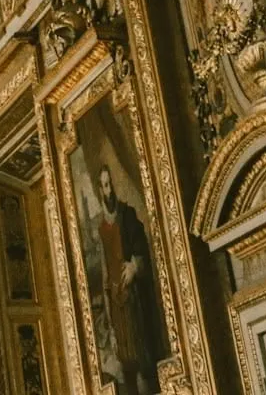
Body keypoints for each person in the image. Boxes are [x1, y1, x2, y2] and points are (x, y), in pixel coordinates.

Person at [93, 166, 165, 395]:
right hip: (117, 305)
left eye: (111, 184)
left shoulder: (128, 215)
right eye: (105, 186)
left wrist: (135, 265)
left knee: (143, 356)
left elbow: (141, 249)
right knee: (126, 364)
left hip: (135, 299)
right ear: (101, 190)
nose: (110, 191)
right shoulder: (102, 228)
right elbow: (105, 271)